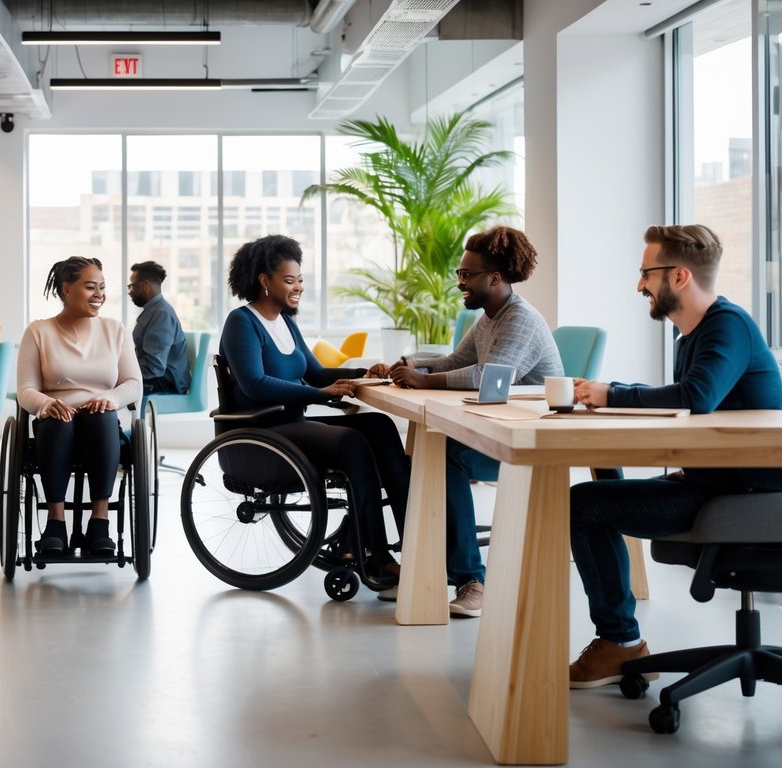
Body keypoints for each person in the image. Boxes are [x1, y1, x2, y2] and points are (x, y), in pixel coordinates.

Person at [566, 224, 782, 688]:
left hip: (750, 498)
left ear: (679, 276)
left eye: (647, 273)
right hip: (720, 484)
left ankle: (619, 643)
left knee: (585, 504)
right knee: (596, 495)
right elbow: (695, 406)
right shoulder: (694, 337)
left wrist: (613, 394)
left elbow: (696, 397)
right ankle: (620, 641)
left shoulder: (729, 325)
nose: (639, 284)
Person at [367, 225, 562, 616]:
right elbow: (457, 363)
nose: (460, 282)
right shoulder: (490, 316)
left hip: (528, 441)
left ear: (495, 277)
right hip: (495, 429)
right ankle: (429, 568)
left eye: (467, 275)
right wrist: (408, 365)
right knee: (428, 453)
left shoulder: (520, 319)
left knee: (445, 455)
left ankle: (474, 581)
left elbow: (487, 377)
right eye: (460, 274)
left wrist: (423, 380)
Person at [220, 235, 405, 590]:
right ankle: (376, 556)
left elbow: (317, 372)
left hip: (292, 425)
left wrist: (363, 373)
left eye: (300, 280)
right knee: (351, 441)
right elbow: (254, 384)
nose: (299, 288)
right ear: (264, 281)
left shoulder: (286, 323)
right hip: (263, 433)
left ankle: (415, 542)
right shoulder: (241, 322)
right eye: (289, 280)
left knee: (379, 427)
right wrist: (319, 395)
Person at [17, 257, 142, 556]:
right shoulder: (39, 332)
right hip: (55, 418)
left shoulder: (114, 330)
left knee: (100, 418)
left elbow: (134, 383)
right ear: (67, 289)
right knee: (59, 421)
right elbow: (25, 389)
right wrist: (46, 403)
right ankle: (55, 522)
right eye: (90, 287)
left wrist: (110, 398)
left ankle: (100, 522)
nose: (99, 294)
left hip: (101, 419)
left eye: (102, 287)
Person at [127, 260, 190, 396]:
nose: (130, 291)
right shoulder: (153, 311)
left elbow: (154, 367)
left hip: (164, 384)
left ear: (145, 285)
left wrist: (123, 371)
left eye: (132, 286)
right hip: (158, 380)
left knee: (109, 385)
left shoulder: (161, 314)